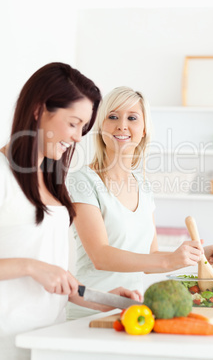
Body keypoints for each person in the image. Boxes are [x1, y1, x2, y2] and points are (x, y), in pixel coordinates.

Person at [0, 65, 141, 360]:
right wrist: (30, 267)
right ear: (39, 109)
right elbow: (37, 269)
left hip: (45, 343)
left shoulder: (52, 181)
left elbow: (53, 277)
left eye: (84, 127)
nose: (78, 137)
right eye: (73, 123)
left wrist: (103, 299)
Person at [67, 86, 213, 320]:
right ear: (101, 127)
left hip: (130, 311)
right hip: (89, 312)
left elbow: (149, 256)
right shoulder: (82, 180)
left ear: (143, 130)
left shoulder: (143, 185)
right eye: (112, 117)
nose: (122, 125)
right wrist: (168, 260)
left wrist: (198, 256)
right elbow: (100, 256)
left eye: (132, 118)